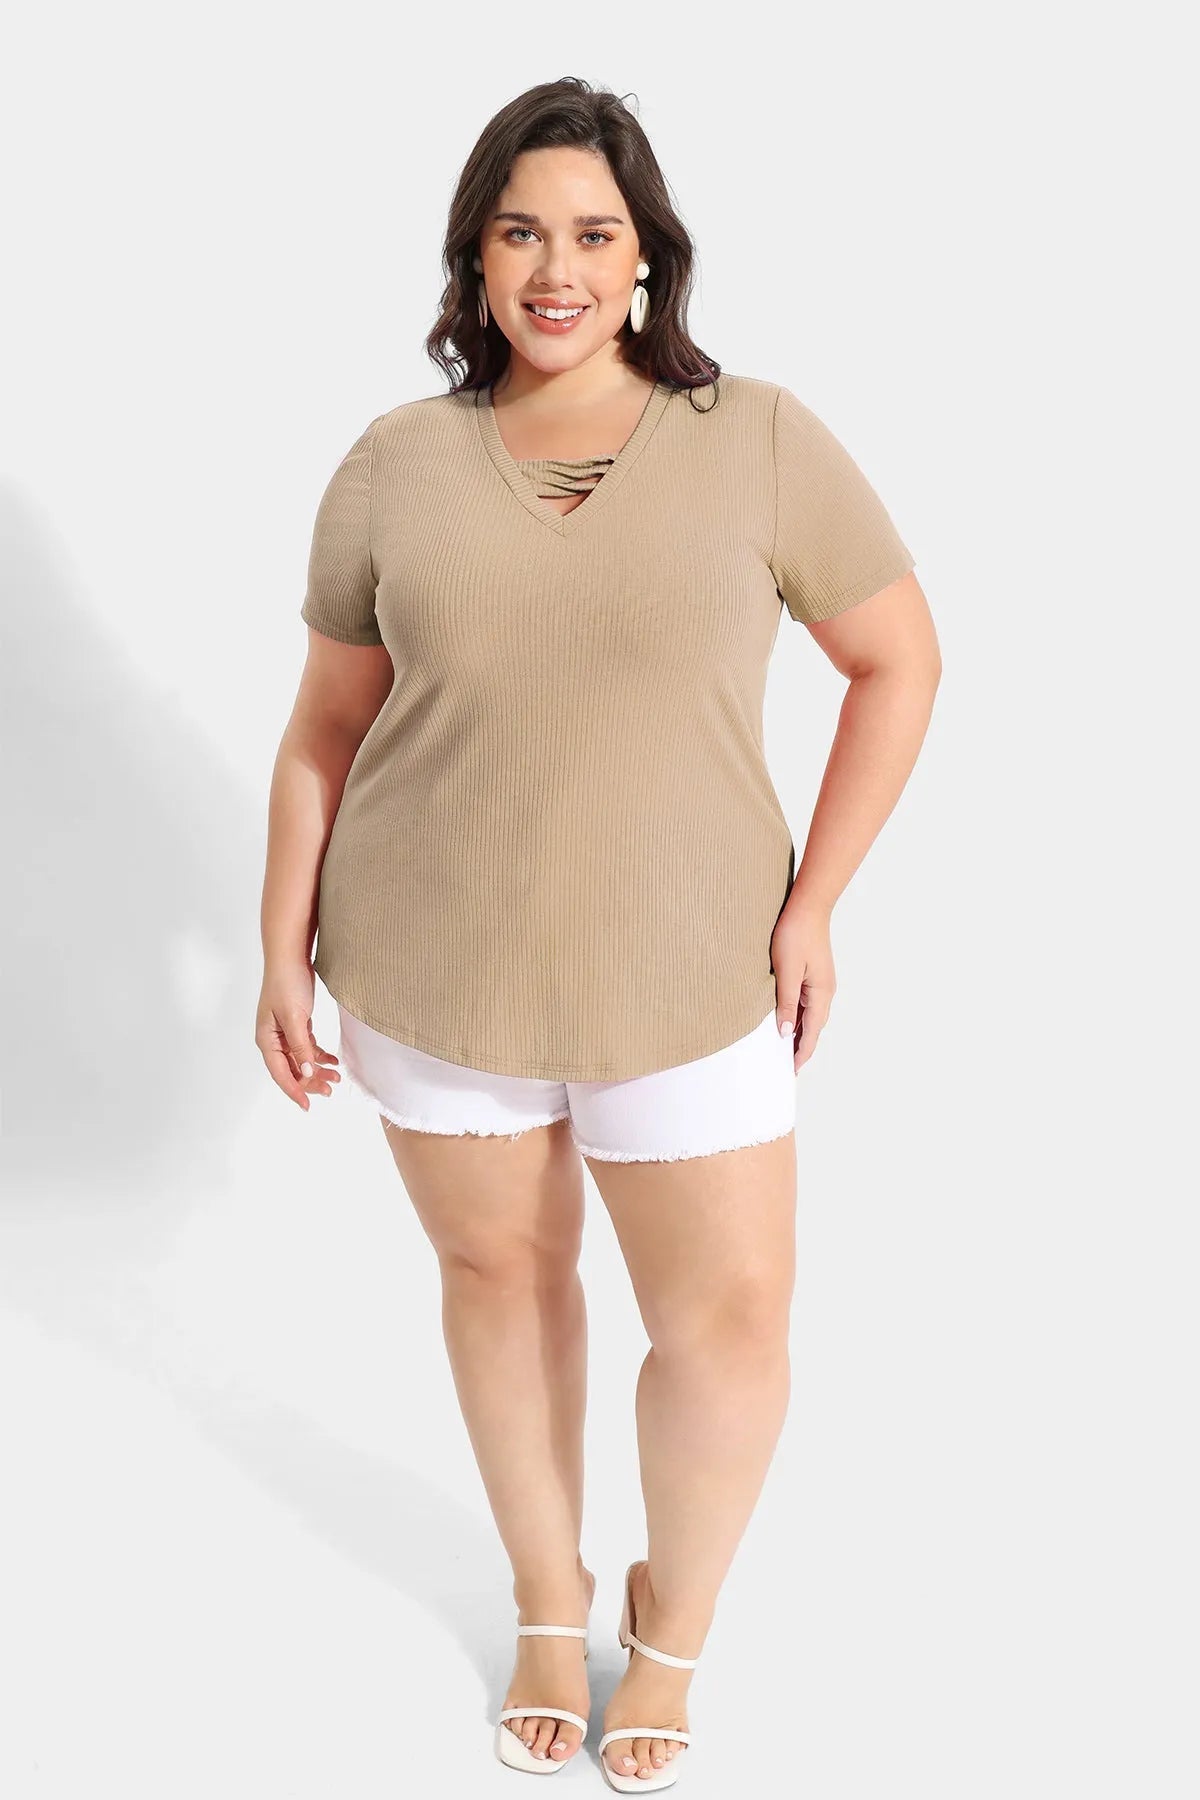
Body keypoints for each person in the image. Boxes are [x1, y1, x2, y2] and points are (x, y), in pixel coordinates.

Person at [256, 76, 941, 1792]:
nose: (554, 270)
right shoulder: (393, 463)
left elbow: (898, 660)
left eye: (591, 234)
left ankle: (673, 1629)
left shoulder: (756, 438)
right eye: (520, 233)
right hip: (432, 961)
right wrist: (279, 944)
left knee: (730, 1322)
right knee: (498, 1276)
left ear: (647, 260)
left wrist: (816, 901)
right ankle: (547, 1606)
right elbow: (325, 729)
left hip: (695, 967)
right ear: (474, 258)